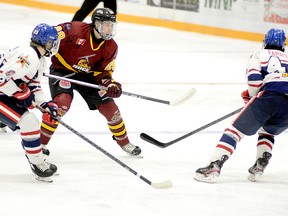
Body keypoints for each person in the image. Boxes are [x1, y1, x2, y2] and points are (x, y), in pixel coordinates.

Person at [40, 8, 142, 157]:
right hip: (62, 71)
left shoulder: (111, 46)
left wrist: (110, 84)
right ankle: (40, 144)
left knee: (111, 110)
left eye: (111, 25)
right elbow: (49, 35)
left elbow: (104, 72)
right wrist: (37, 54)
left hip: (88, 76)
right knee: (61, 105)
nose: (109, 29)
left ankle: (125, 143)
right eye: (106, 25)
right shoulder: (74, 30)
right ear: (95, 24)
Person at [194, 28, 288, 183]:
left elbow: (254, 82)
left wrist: (252, 97)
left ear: (265, 42)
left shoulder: (258, 54)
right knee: (267, 131)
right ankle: (260, 163)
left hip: (270, 97)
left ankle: (214, 166)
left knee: (234, 131)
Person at [0, 23, 60, 182]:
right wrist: (20, 93)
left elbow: (34, 85)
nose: (54, 46)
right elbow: (1, 79)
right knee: (28, 122)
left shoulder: (38, 59)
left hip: (3, 92)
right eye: (53, 42)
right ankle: (37, 163)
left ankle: (37, 159)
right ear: (47, 42)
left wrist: (45, 105)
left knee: (29, 121)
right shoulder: (28, 56)